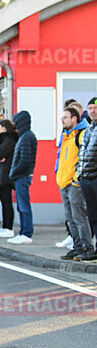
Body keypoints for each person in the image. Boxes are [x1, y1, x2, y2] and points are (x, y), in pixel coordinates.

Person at [55, 107, 93, 260]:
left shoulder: (82, 134)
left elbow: (84, 158)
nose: (62, 120)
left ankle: (87, 248)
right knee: (70, 218)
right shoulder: (66, 136)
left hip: (73, 183)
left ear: (74, 119)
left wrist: (77, 180)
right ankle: (77, 247)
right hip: (63, 182)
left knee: (79, 217)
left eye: (65, 117)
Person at [8, 111, 37, 245]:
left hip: (22, 176)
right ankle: (24, 232)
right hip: (23, 175)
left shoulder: (26, 137)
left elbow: (24, 160)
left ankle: (26, 233)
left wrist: (13, 173)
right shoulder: (26, 136)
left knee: (23, 205)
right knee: (22, 205)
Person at [0, 120, 18, 238]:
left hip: (5, 174)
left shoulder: (8, 140)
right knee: (5, 201)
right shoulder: (10, 139)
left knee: (6, 202)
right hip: (6, 173)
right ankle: (5, 226)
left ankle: (8, 227)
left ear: (4, 128)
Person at [77, 97, 97, 253]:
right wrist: (80, 173)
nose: (92, 111)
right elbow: (82, 153)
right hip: (86, 178)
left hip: (95, 177)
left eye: (95, 108)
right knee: (92, 215)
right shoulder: (88, 130)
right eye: (90, 108)